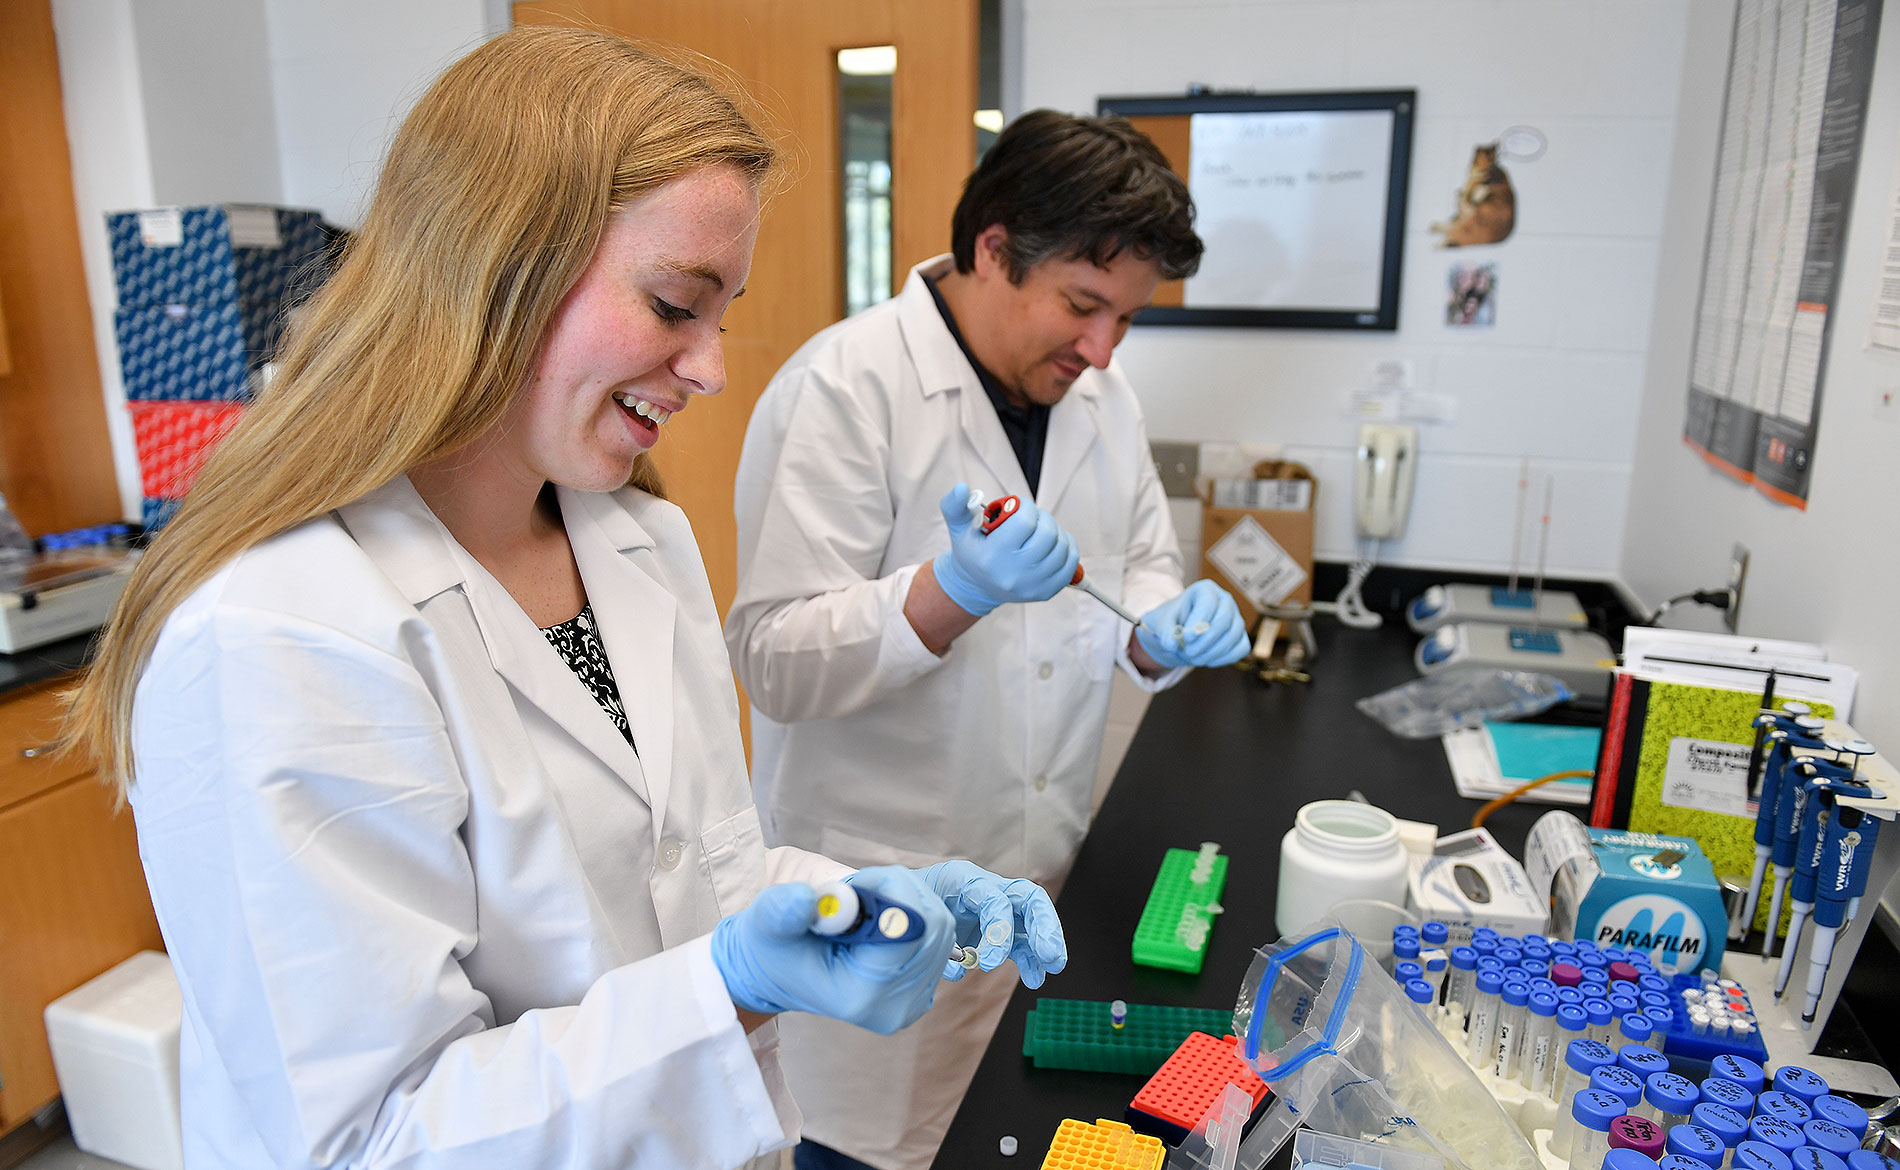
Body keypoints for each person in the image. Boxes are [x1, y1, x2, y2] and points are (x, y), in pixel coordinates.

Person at [63, 28, 1062, 1170]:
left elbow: (687, 871)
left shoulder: (636, 539)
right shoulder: (279, 632)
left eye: (720, 314)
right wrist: (724, 992)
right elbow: (368, 1141)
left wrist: (849, 901)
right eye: (677, 304)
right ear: (496, 266)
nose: (711, 367)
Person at [725, 110, 1252, 1170]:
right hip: (877, 890)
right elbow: (773, 658)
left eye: (1127, 321)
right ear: (994, 250)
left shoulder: (1100, 399)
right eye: (1082, 306)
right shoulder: (847, 388)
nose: (1102, 349)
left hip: (1043, 867)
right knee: (860, 1147)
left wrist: (1159, 632)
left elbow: (1140, 562)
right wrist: (951, 590)